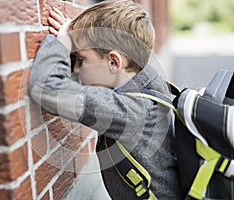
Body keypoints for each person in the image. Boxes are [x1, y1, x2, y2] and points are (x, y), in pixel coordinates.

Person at [28, 0, 181, 199]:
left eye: (81, 60)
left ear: (113, 62)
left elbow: (46, 88)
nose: (74, 69)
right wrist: (81, 42)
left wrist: (62, 44)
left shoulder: (128, 110)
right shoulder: (148, 82)